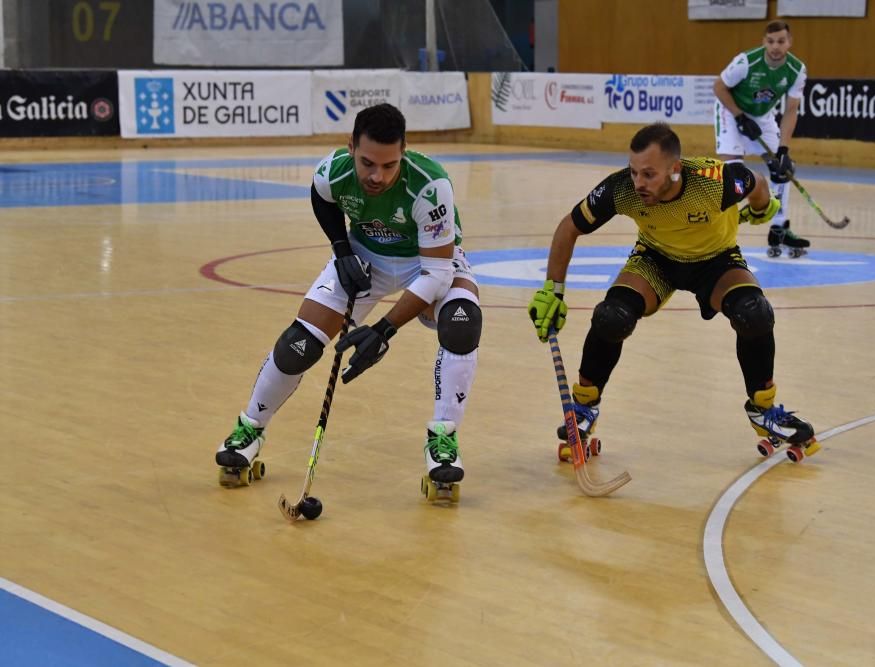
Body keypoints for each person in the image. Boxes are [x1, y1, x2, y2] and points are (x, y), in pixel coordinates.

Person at [216, 103, 482, 493]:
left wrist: (383, 329)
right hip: (364, 258)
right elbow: (321, 195)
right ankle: (249, 429)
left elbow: (437, 274)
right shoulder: (334, 170)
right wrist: (342, 250)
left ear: (403, 153)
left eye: (390, 166)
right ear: (351, 148)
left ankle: (442, 440)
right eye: (368, 163)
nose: (378, 176)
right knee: (298, 344)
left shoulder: (430, 185)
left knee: (462, 322)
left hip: (427, 262)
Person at [527, 123, 815, 459]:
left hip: (716, 260)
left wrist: (760, 209)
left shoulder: (714, 180)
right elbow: (569, 227)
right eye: (635, 172)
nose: (639, 182)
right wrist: (553, 290)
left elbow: (757, 183)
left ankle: (763, 409)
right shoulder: (622, 189)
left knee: (755, 313)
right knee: (611, 317)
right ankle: (584, 407)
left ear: (675, 169)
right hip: (656, 260)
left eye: (649, 174)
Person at [713, 20, 810, 258]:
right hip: (730, 111)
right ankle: (721, 233)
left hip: (763, 116)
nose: (776, 47)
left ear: (790, 42)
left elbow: (791, 110)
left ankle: (779, 227)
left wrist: (784, 150)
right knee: (733, 173)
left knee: (782, 169)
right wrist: (739, 117)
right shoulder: (747, 61)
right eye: (771, 41)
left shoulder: (797, 70)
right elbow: (719, 87)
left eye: (781, 41)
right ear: (764, 42)